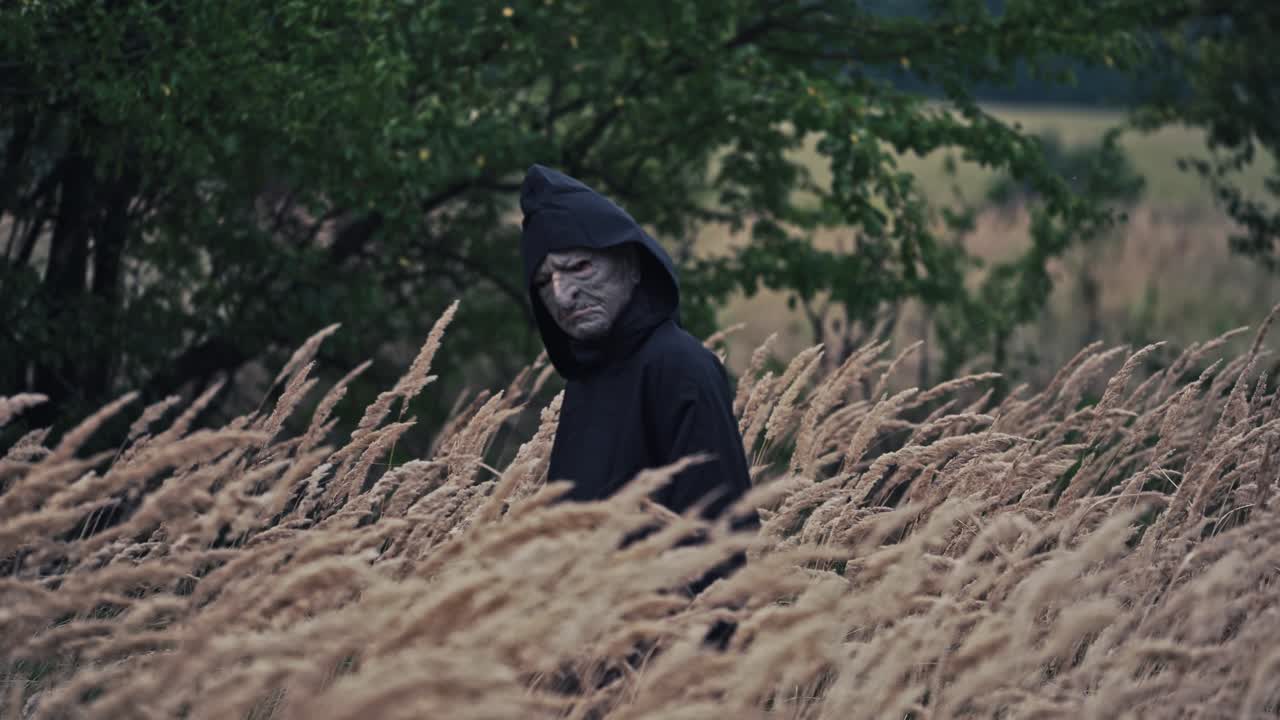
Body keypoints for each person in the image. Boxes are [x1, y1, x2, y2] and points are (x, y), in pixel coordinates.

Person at [519, 164, 756, 609]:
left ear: (631, 265)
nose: (563, 295)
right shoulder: (586, 379)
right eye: (544, 282)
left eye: (580, 266)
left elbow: (719, 544)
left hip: (669, 657)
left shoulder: (679, 366)